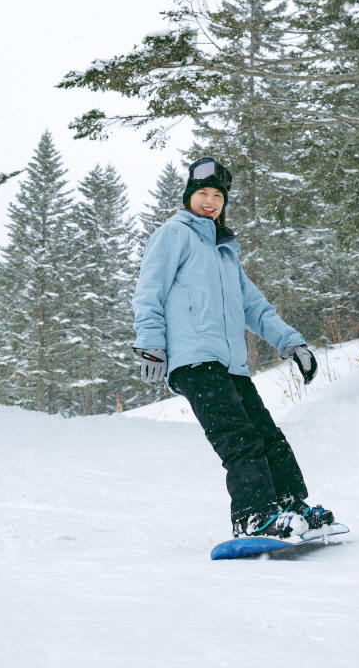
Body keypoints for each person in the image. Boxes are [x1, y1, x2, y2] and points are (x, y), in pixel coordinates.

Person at [133, 156, 334, 539]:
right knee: (238, 437)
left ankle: (290, 505)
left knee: (267, 434)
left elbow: (254, 307)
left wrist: (293, 344)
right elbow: (149, 293)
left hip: (231, 365)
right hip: (194, 361)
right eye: (202, 194)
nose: (209, 202)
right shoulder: (174, 235)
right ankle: (253, 515)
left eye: (217, 196)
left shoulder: (225, 252)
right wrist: (151, 345)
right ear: (189, 196)